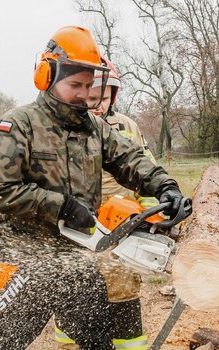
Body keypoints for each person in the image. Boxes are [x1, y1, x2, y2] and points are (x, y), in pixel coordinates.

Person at [0, 25, 188, 350]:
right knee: (2, 344)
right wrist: (59, 206)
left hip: (80, 259)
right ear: (47, 77)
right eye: (73, 85)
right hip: (27, 260)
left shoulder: (94, 128)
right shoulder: (19, 124)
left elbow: (129, 159)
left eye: (87, 85)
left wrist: (165, 186)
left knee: (97, 342)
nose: (82, 93)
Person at [54, 59, 158, 350]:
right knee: (74, 290)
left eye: (102, 94)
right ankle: (71, 343)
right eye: (88, 94)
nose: (94, 102)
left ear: (113, 95)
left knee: (122, 288)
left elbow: (144, 169)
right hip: (75, 227)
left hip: (122, 226)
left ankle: (129, 345)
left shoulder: (126, 127)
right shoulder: (59, 129)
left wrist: (149, 216)